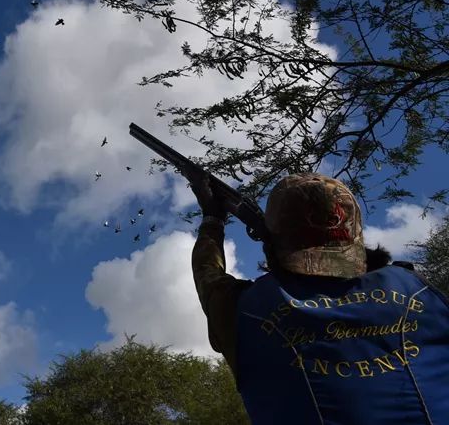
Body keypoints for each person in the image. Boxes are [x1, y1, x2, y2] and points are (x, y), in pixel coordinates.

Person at [191, 172, 449, 425]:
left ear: (271, 241)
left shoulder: (243, 311)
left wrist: (212, 219)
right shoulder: (420, 288)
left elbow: (208, 275)